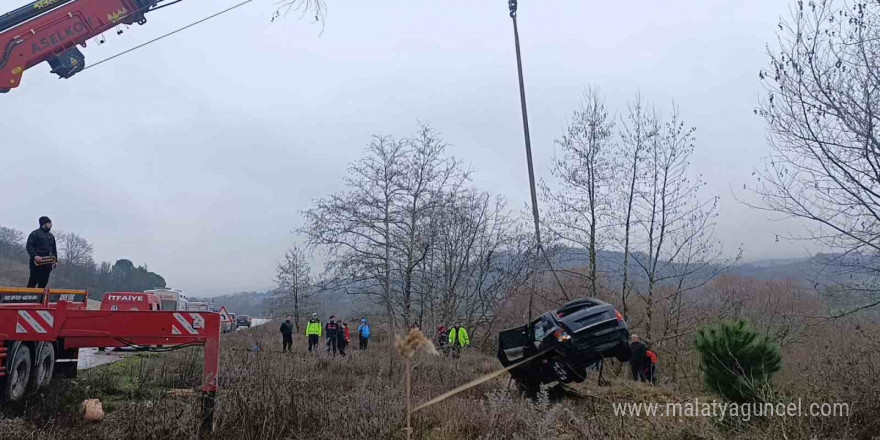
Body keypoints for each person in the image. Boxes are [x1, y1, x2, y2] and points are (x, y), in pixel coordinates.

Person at [26, 216, 58, 288]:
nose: (51, 225)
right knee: (33, 280)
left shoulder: (51, 236)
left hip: (47, 262)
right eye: (49, 223)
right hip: (36, 262)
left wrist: (55, 260)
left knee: (44, 281)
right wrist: (35, 256)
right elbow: (29, 246)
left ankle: (40, 298)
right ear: (44, 224)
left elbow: (54, 249)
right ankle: (28, 297)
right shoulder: (35, 234)